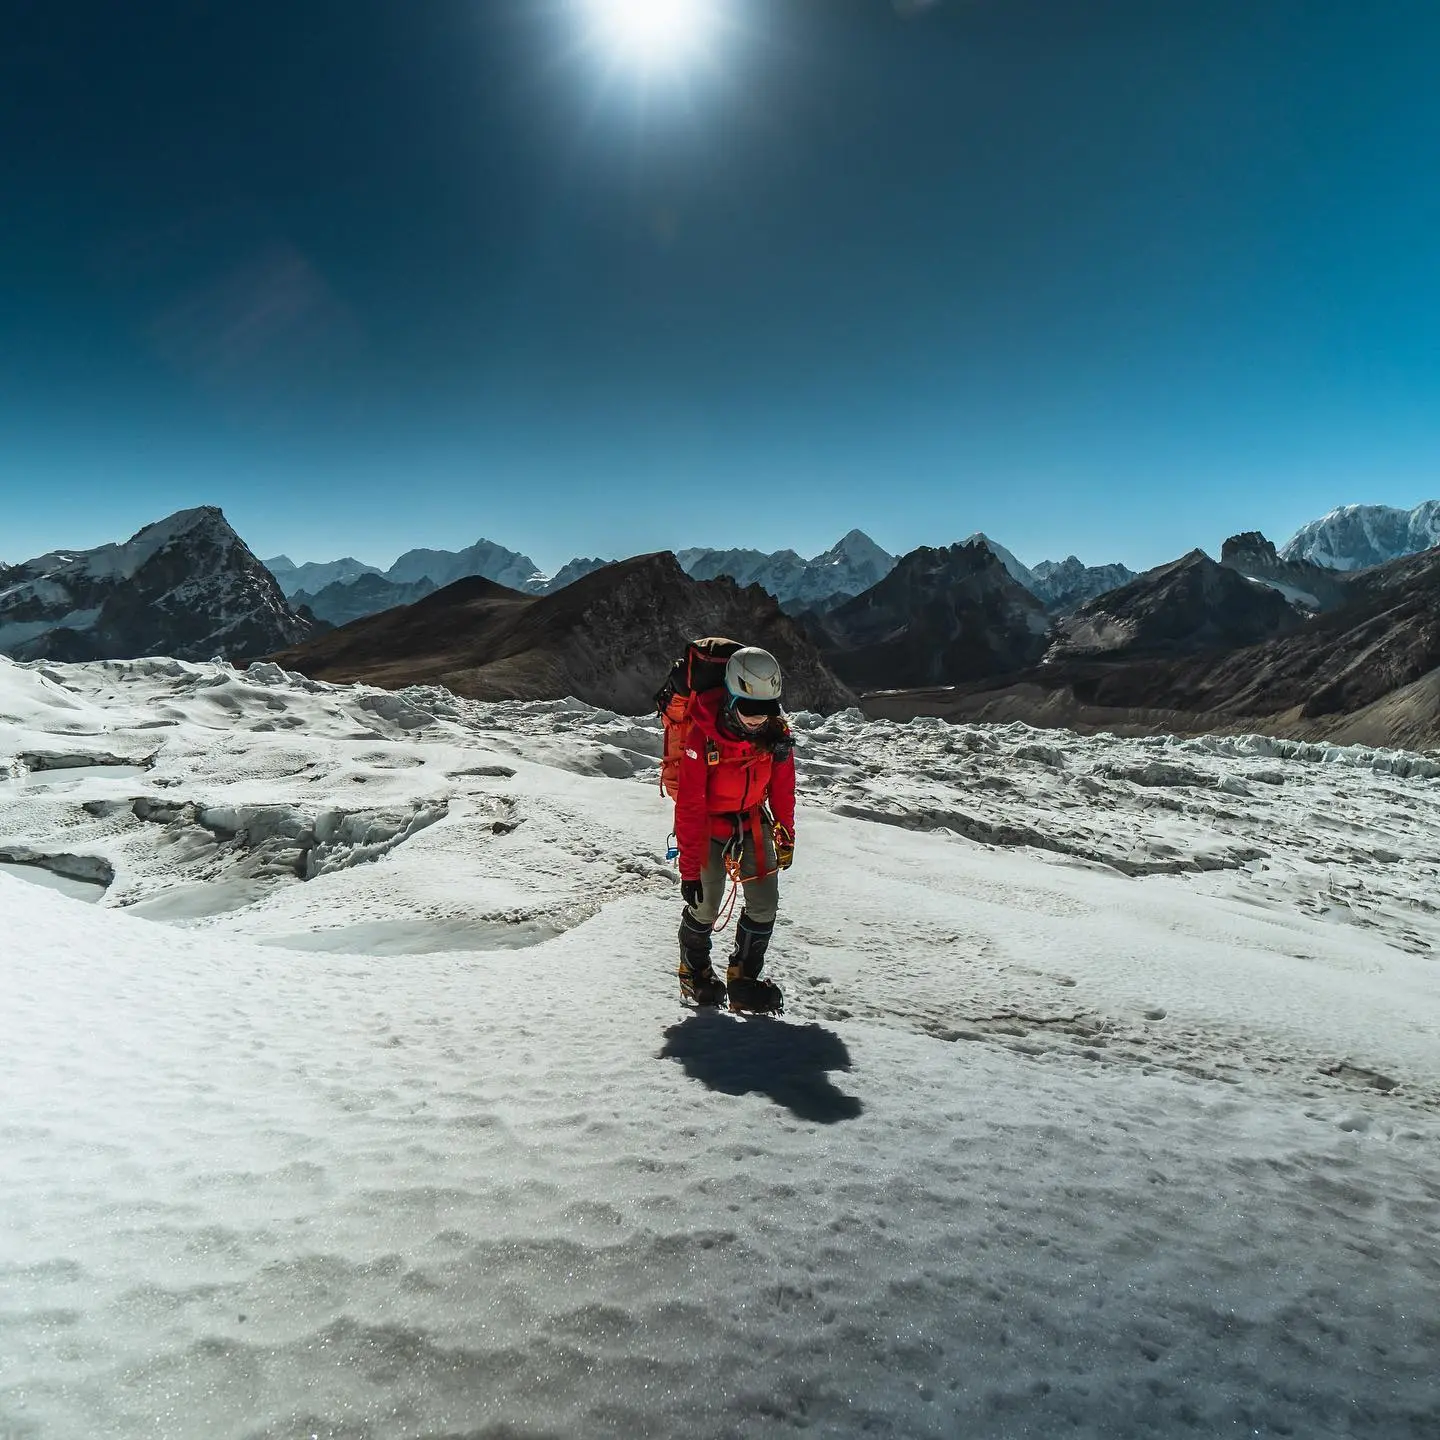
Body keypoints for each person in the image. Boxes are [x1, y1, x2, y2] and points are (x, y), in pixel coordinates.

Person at [674, 646, 796, 1012]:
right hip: (710, 824)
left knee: (764, 905)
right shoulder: (702, 735)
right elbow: (691, 805)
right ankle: (694, 974)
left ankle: (743, 980)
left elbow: (782, 785)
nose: (759, 720)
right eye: (750, 710)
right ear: (730, 696)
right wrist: (689, 868)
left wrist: (785, 832)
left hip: (752, 821)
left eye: (767, 710)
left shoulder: (776, 733)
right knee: (704, 905)